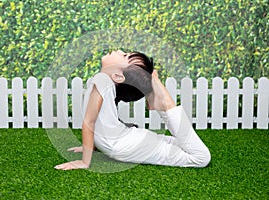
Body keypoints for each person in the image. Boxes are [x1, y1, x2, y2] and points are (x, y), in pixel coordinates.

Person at [55, 50, 211, 170]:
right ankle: (160, 101)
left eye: (124, 56)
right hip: (128, 142)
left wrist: (84, 161)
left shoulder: (102, 80)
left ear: (117, 76)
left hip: (127, 143)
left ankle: (164, 102)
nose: (118, 51)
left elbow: (90, 122)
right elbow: (102, 122)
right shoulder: (104, 81)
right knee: (194, 151)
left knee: (200, 157)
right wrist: (90, 146)